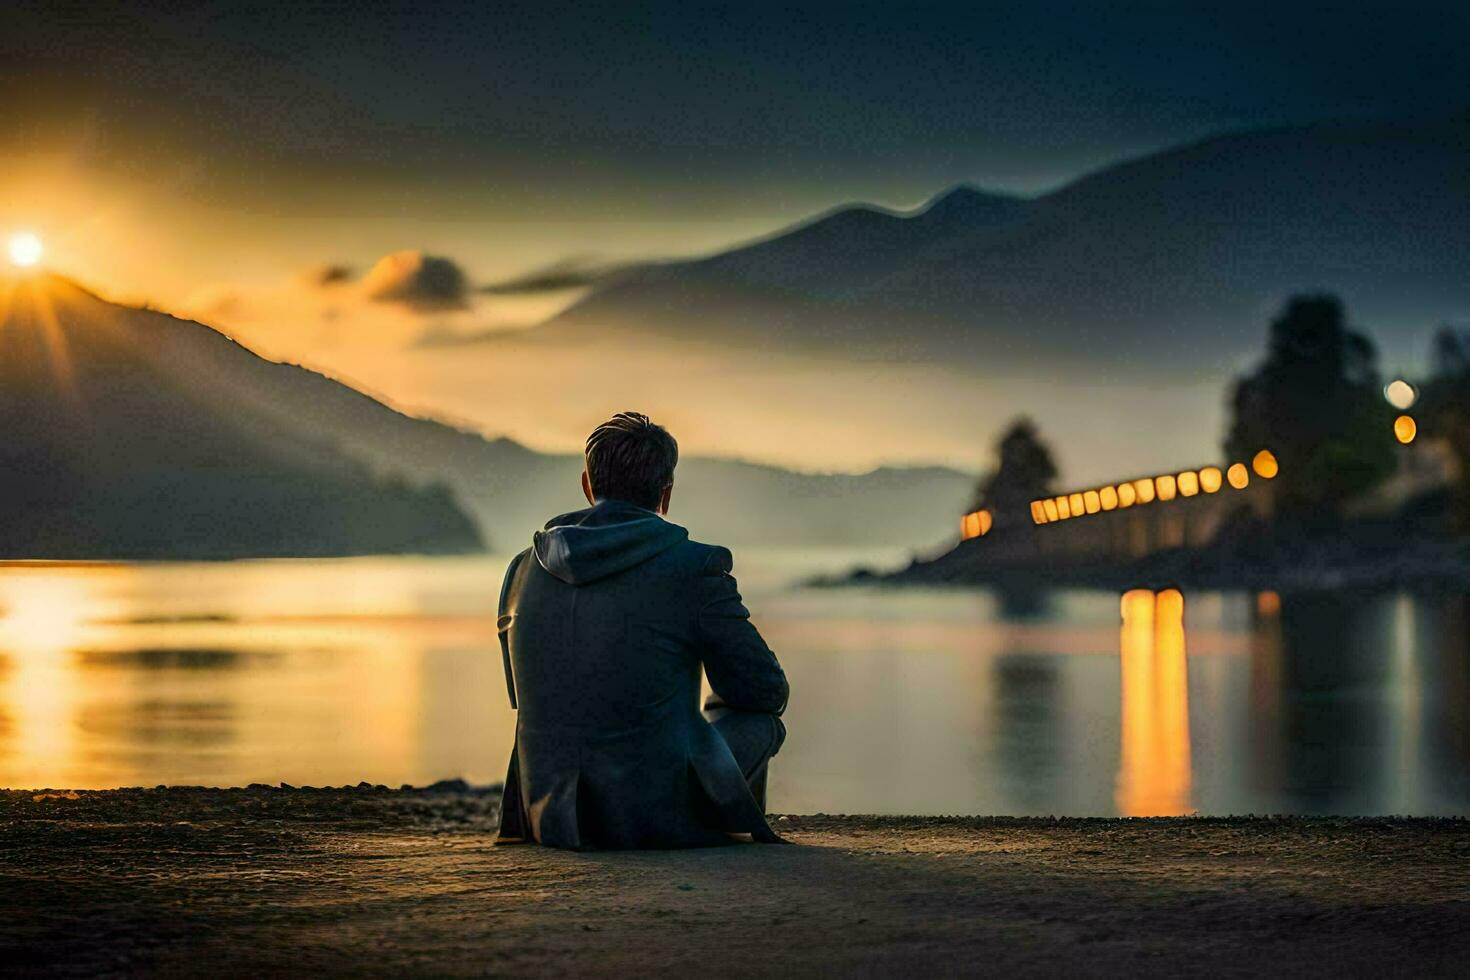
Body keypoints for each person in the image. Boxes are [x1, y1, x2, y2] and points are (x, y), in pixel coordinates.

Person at [495, 412, 790, 849]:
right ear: (665, 494)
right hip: (650, 817)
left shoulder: (522, 570)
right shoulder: (695, 568)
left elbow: (521, 697)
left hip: (548, 816)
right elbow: (764, 691)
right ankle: (727, 835)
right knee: (758, 720)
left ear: (588, 486)